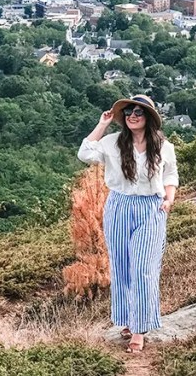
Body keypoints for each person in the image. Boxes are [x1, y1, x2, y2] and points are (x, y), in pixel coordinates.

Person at [78, 94, 179, 354]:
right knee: (122, 267)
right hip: (119, 205)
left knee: (143, 267)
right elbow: (84, 153)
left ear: (149, 118)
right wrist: (103, 123)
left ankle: (139, 330)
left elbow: (171, 174)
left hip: (150, 208)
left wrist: (169, 200)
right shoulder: (113, 142)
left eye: (139, 112)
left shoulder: (164, 146)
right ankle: (128, 320)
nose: (132, 115)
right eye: (129, 112)